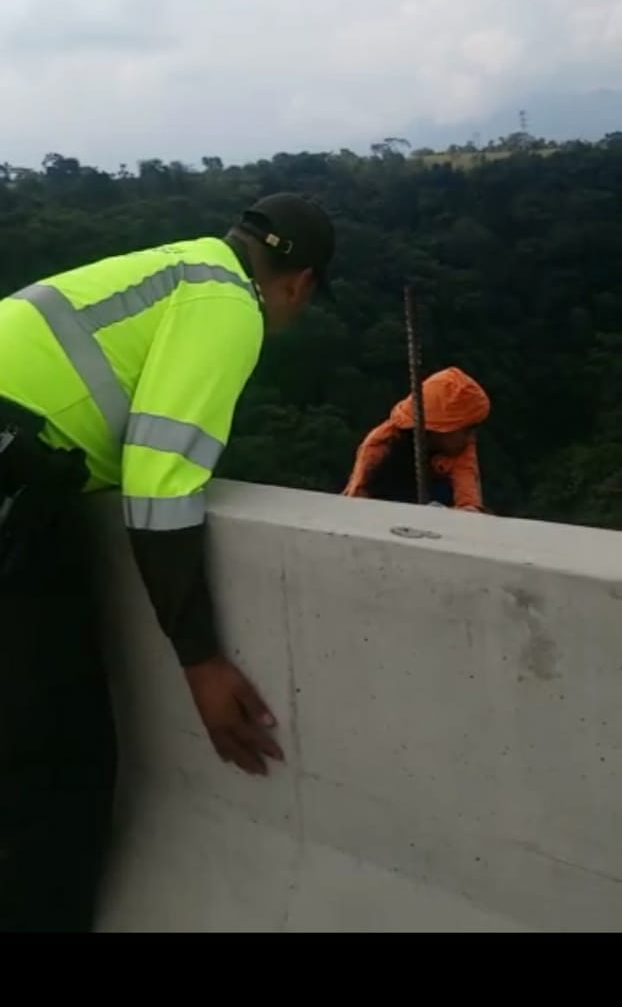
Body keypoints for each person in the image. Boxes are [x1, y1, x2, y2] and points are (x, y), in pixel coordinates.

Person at [0, 192, 334, 933]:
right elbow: (160, 486)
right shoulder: (229, 304)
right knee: (53, 764)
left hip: (23, 470)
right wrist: (202, 660)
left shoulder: (179, 266)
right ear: (300, 283)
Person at [344, 366, 490, 510]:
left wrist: (464, 510)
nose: (471, 438)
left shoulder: (460, 447)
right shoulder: (382, 443)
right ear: (441, 428)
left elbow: (468, 499)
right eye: (467, 430)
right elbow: (358, 501)